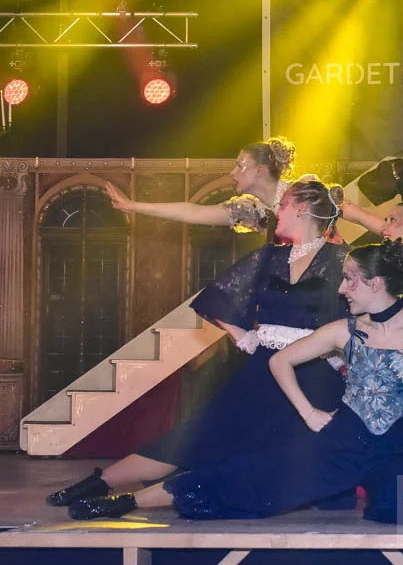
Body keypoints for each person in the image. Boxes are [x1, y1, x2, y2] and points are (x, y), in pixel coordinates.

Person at [66, 241, 403, 523]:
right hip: (339, 444)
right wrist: (309, 413)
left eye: (350, 279)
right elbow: (281, 361)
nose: (342, 288)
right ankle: (126, 501)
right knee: (249, 480)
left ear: (375, 284)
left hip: (398, 450)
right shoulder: (343, 330)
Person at [47, 179, 349, 509]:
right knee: (195, 435)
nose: (277, 211)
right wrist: (244, 336)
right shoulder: (269, 257)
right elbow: (218, 297)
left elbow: (360, 315)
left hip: (315, 377)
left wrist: (339, 353)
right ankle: (98, 483)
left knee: (265, 460)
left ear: (301, 209)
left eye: (284, 205)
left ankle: (131, 501)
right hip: (262, 370)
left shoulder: (340, 259)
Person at [106, 137, 297, 239]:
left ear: (260, 170)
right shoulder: (251, 210)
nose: (232, 173)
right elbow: (192, 212)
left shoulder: (303, 193)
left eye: (239, 166)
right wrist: (131, 205)